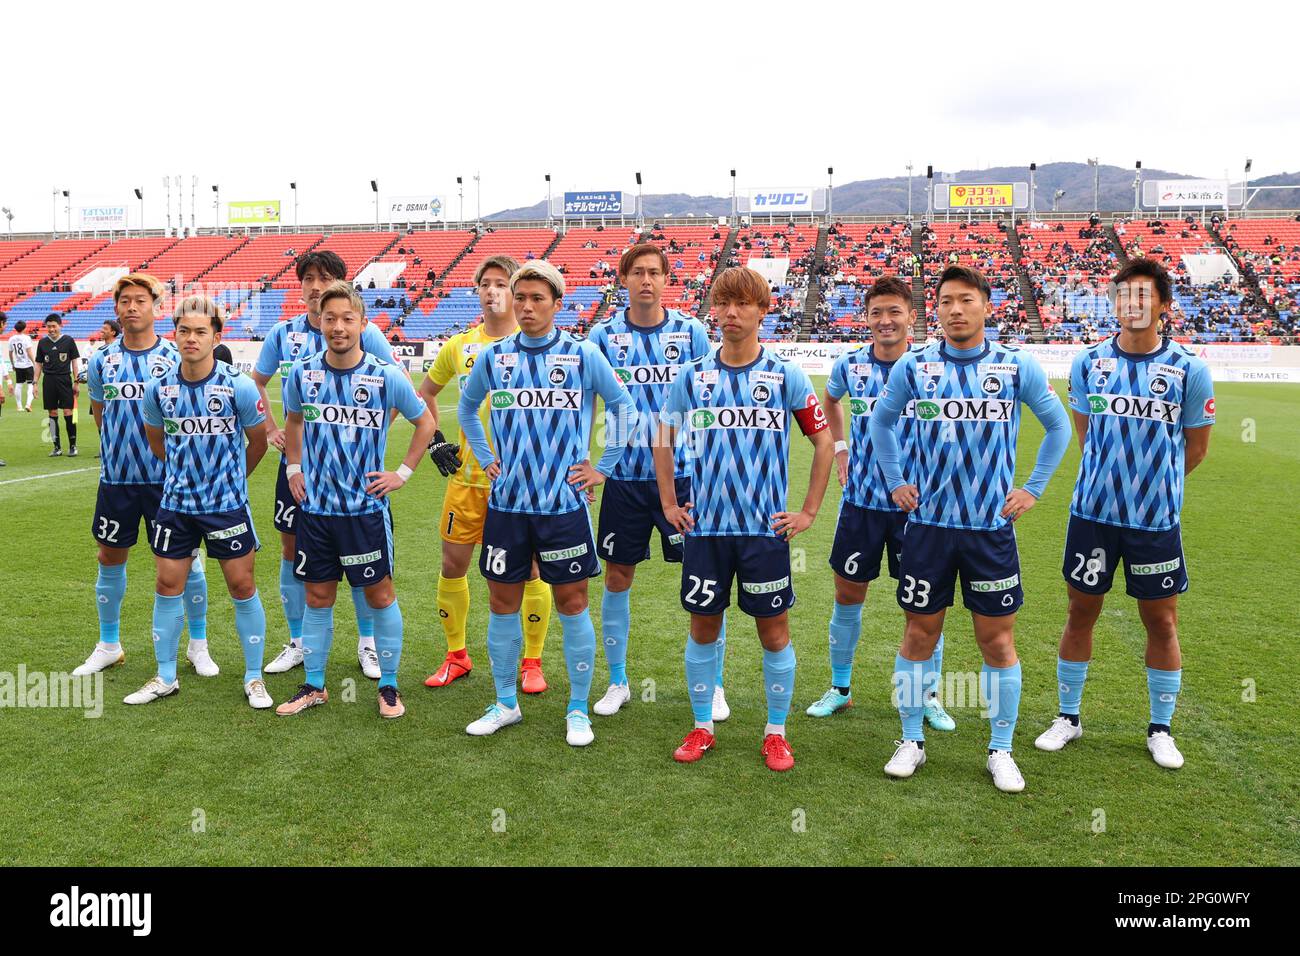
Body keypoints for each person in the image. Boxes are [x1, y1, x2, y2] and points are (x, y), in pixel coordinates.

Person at [870, 265, 1071, 793]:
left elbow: (1059, 427)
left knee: (996, 640)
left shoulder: (1014, 366)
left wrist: (1033, 487)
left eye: (965, 300)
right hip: (928, 528)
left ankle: (1000, 750)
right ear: (934, 311)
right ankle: (911, 739)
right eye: (944, 302)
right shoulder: (914, 367)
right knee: (918, 633)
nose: (955, 310)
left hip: (989, 530)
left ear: (987, 305)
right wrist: (895, 481)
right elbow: (879, 423)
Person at [1035, 258, 1214, 770]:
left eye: (1142, 295)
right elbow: (1087, 433)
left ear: (1163, 305)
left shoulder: (1188, 369)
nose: (1131, 305)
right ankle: (1068, 717)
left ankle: (1160, 729)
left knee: (1160, 619)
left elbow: (1194, 450)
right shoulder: (1089, 362)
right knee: (1080, 611)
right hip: (1092, 514)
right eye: (1122, 295)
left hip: (1155, 522)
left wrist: (1150, 487)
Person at [658, 266, 834, 772]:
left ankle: (775, 733)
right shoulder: (693, 375)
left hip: (764, 532)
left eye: (743, 304)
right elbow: (663, 438)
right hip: (706, 530)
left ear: (763, 310)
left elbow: (823, 442)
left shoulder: (784, 375)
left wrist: (808, 511)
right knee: (702, 629)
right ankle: (701, 726)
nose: (731, 313)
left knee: (773, 632)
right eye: (722, 303)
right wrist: (670, 504)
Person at [456, 261, 633, 747]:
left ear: (557, 303)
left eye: (538, 298)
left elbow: (625, 407)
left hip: (563, 506)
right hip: (508, 506)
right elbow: (467, 407)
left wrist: (604, 466)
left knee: (572, 602)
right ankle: (505, 703)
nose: (527, 306)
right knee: (501, 602)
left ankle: (578, 709)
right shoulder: (495, 358)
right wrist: (488, 456)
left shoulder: (583, 355)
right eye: (521, 298)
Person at [276, 282, 435, 719]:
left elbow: (425, 422)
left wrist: (401, 473)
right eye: (330, 319)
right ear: (320, 323)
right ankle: (314, 685)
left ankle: (388, 686)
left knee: (380, 596)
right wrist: (293, 468)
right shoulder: (303, 373)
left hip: (364, 513)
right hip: (316, 512)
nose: (338, 327)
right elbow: (292, 421)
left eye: (348, 319)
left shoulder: (384, 375)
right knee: (318, 598)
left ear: (363, 324)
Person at [586, 243, 728, 719]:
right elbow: (583, 404)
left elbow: (714, 400)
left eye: (654, 273)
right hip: (624, 480)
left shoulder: (691, 333)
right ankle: (618, 681)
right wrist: (590, 464)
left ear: (667, 279)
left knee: (705, 585)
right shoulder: (602, 338)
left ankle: (716, 685)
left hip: (686, 479)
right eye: (637, 273)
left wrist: (714, 468)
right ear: (623, 279)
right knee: (617, 576)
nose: (646, 280)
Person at [808, 276, 955, 731]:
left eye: (895, 312)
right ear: (866, 318)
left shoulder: (935, 367)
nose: (885, 321)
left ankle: (926, 696)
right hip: (862, 505)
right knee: (847, 597)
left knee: (924, 608)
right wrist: (841, 448)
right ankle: (841, 688)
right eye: (877, 313)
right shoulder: (850, 365)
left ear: (913, 317)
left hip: (919, 510)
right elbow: (829, 401)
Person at [251, 251, 398, 680]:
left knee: (362, 558)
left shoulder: (360, 331)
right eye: (309, 278)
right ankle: (298, 641)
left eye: (326, 278)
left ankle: (368, 643)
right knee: (291, 549)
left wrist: (372, 434)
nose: (316, 286)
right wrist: (273, 429)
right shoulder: (284, 334)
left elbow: (399, 389)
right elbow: (257, 382)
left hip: (353, 475)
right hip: (300, 471)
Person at [419, 256, 555, 693]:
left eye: (502, 284)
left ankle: (531, 662)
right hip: (469, 481)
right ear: (477, 291)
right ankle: (456, 655)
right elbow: (424, 394)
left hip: (522, 485)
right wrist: (436, 439)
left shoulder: (535, 343)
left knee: (530, 571)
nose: (493, 291)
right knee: (452, 565)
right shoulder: (459, 346)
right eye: (486, 284)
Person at [131, 296, 271, 708]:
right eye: (184, 331)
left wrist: (228, 481)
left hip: (226, 505)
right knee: (167, 585)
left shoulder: (237, 385)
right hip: (175, 504)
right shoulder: (160, 388)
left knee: (242, 586)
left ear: (216, 336)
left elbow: (258, 443)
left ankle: (254, 677)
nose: (191, 339)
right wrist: (185, 475)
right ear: (174, 334)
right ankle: (166, 676)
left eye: (200, 332)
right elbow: (158, 443)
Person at [74, 274, 212, 679]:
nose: (131, 307)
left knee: (184, 562)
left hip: (168, 482)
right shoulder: (102, 360)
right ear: (116, 308)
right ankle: (108, 644)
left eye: (140, 300)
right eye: (124, 301)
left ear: (156, 306)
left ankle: (198, 645)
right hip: (116, 479)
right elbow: (101, 414)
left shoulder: (174, 357)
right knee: (108, 556)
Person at [33, 314, 81, 456]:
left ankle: (73, 446)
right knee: (52, 413)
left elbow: (74, 362)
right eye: (49, 326)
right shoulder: (42, 343)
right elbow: (38, 364)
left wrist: (76, 382)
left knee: (68, 412)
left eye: (54, 326)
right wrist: (35, 383)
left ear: (60, 325)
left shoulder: (68, 340)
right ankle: (57, 447)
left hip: (64, 379)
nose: (51, 329)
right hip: (49, 381)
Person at [8, 318, 36, 411]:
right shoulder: (27, 338)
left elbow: (10, 353)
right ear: (24, 328)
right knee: (30, 385)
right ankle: (28, 404)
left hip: (18, 365)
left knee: (19, 384)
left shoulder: (11, 338)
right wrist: (34, 363)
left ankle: (19, 406)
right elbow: (29, 352)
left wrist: (12, 364)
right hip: (27, 364)